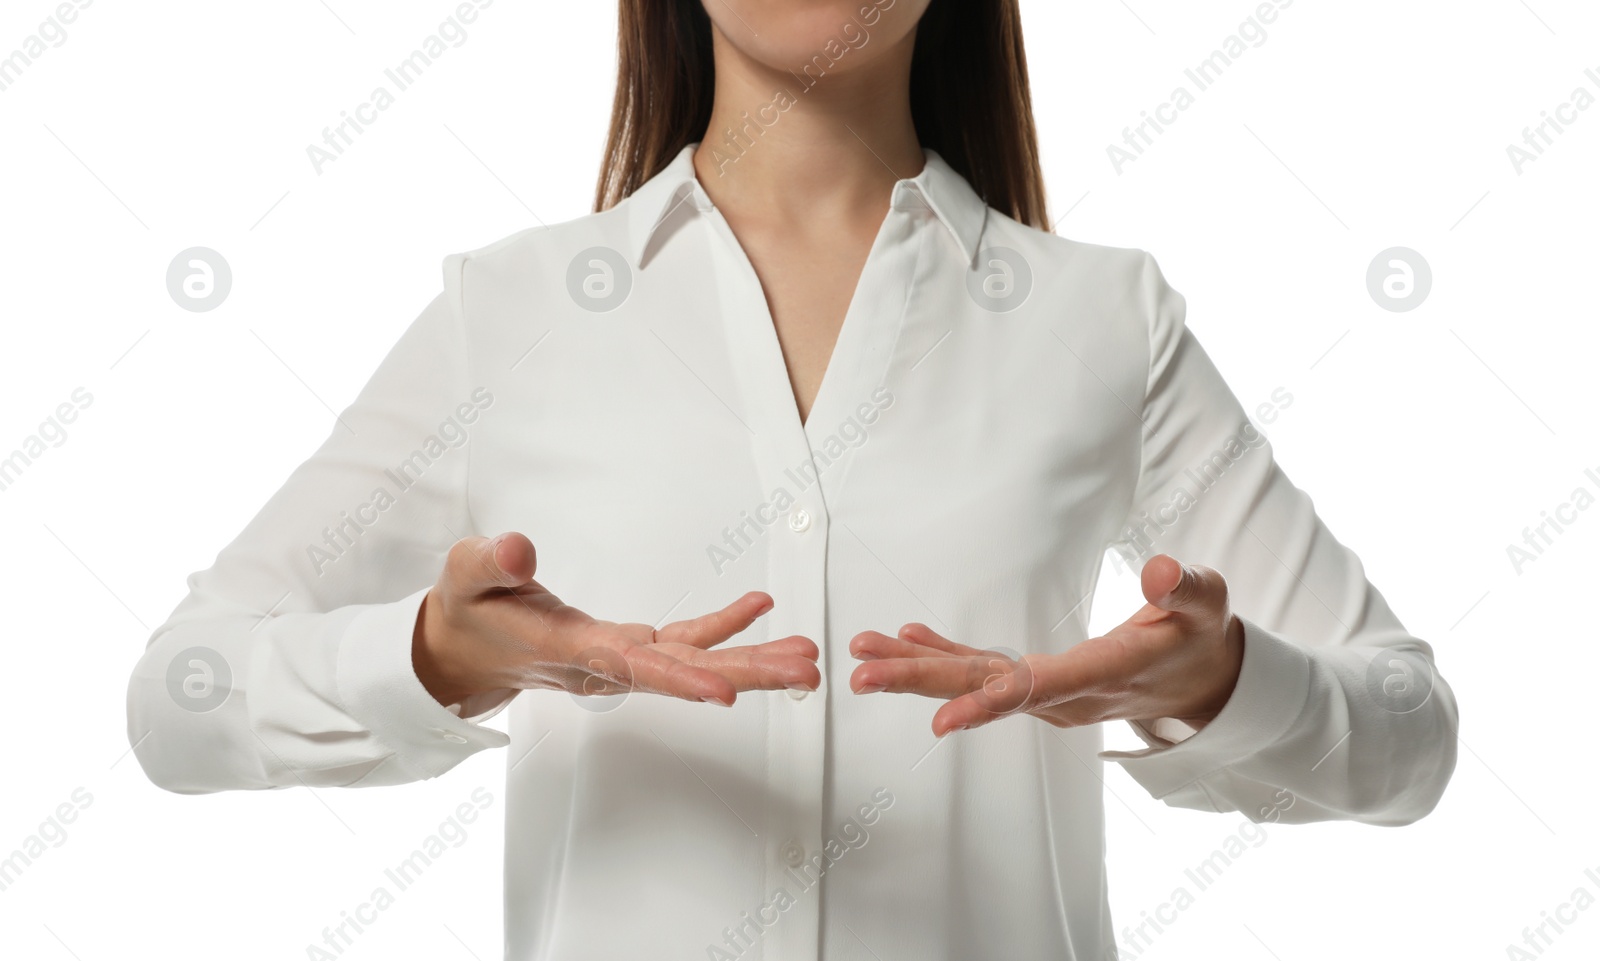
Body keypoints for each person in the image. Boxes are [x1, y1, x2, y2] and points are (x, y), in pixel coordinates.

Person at [126, 1, 1458, 957]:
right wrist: (434, 657)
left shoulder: (1106, 320)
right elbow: (177, 698)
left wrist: (1225, 684)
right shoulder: (514, 312)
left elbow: (1409, 728)